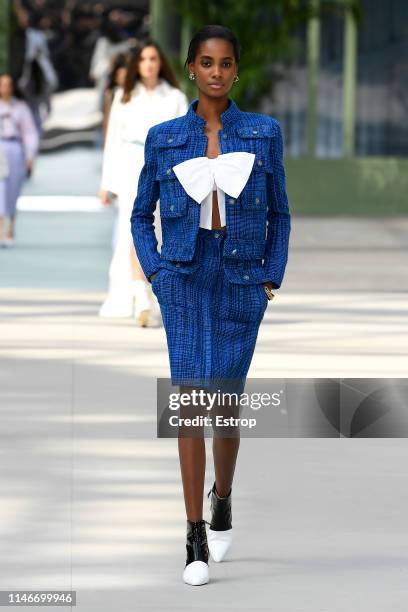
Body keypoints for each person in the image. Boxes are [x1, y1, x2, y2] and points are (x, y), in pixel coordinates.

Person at [130, 25, 291, 585]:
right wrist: (156, 272)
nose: (216, 72)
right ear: (191, 67)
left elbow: (281, 213)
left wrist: (271, 276)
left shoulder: (263, 134)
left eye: (225, 63)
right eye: (206, 62)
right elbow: (138, 213)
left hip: (242, 278)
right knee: (190, 399)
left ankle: (222, 494)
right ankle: (194, 530)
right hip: (184, 277)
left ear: (236, 70)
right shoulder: (164, 136)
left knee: (224, 403)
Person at [99, 41, 188, 325]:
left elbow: (186, 136)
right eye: (144, 59)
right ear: (136, 64)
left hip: (165, 167)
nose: (149, 64)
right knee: (133, 228)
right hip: (130, 166)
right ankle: (140, 294)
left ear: (160, 62)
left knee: (161, 229)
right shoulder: (125, 97)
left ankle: (152, 292)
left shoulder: (174, 96)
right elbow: (112, 140)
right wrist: (106, 182)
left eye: (154, 58)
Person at [0, 73, 39, 247]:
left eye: (8, 84)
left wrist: (30, 155)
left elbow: (29, 133)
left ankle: (10, 228)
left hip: (15, 148)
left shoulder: (20, 107)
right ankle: (1, 229)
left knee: (12, 190)